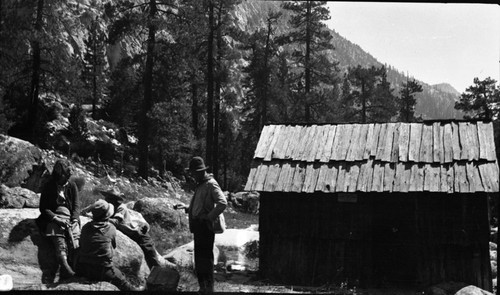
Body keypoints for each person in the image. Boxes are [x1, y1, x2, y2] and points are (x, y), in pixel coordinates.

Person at [174, 156, 227, 293]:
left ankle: (208, 288)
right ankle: (202, 287)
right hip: (199, 226)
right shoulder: (202, 184)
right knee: (199, 259)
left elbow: (222, 203)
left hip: (205, 226)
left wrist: (209, 217)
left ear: (200, 171)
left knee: (205, 259)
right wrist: (186, 207)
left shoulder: (211, 184)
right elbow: (199, 206)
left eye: (193, 173)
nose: (192, 175)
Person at [81, 187, 163, 270]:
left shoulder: (121, 207)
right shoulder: (107, 206)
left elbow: (116, 221)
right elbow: (90, 209)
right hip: (126, 232)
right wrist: (89, 210)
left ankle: (158, 272)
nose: (106, 199)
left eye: (109, 198)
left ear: (115, 199)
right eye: (107, 197)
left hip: (136, 233)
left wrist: (95, 216)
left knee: (149, 252)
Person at [76, 199, 143, 291]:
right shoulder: (110, 228)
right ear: (107, 216)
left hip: (83, 267)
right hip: (102, 269)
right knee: (122, 281)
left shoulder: (85, 227)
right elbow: (113, 246)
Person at [36, 159, 80, 281]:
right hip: (54, 217)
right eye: (65, 176)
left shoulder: (72, 185)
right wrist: (56, 219)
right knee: (59, 240)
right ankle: (65, 265)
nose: (67, 178)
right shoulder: (49, 186)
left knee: (75, 241)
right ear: (59, 175)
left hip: (69, 217)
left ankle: (74, 267)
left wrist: (75, 220)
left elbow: (76, 206)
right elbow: (44, 208)